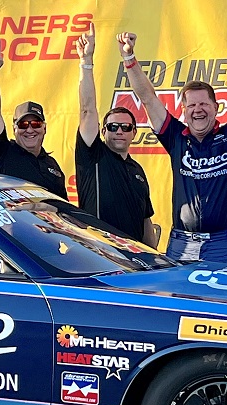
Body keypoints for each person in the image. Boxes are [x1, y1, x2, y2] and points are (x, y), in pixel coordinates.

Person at [120, 29, 227, 263]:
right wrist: (128, 57)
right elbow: (147, 96)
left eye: (204, 104)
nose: (198, 109)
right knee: (179, 300)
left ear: (216, 108)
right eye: (191, 105)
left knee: (226, 302)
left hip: (226, 243)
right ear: (184, 111)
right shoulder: (175, 137)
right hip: (182, 243)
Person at [74, 24, 158, 248]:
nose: (118, 130)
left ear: (134, 132)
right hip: (99, 253)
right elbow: (88, 109)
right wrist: (86, 62)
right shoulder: (93, 155)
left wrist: (156, 256)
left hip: (135, 259)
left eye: (124, 127)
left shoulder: (137, 170)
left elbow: (145, 220)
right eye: (112, 127)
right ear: (103, 132)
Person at [0, 45, 67, 199]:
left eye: (35, 124)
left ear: (44, 128)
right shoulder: (2, 153)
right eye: (23, 125)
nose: (29, 130)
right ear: (14, 129)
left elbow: (64, 209)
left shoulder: (52, 165)